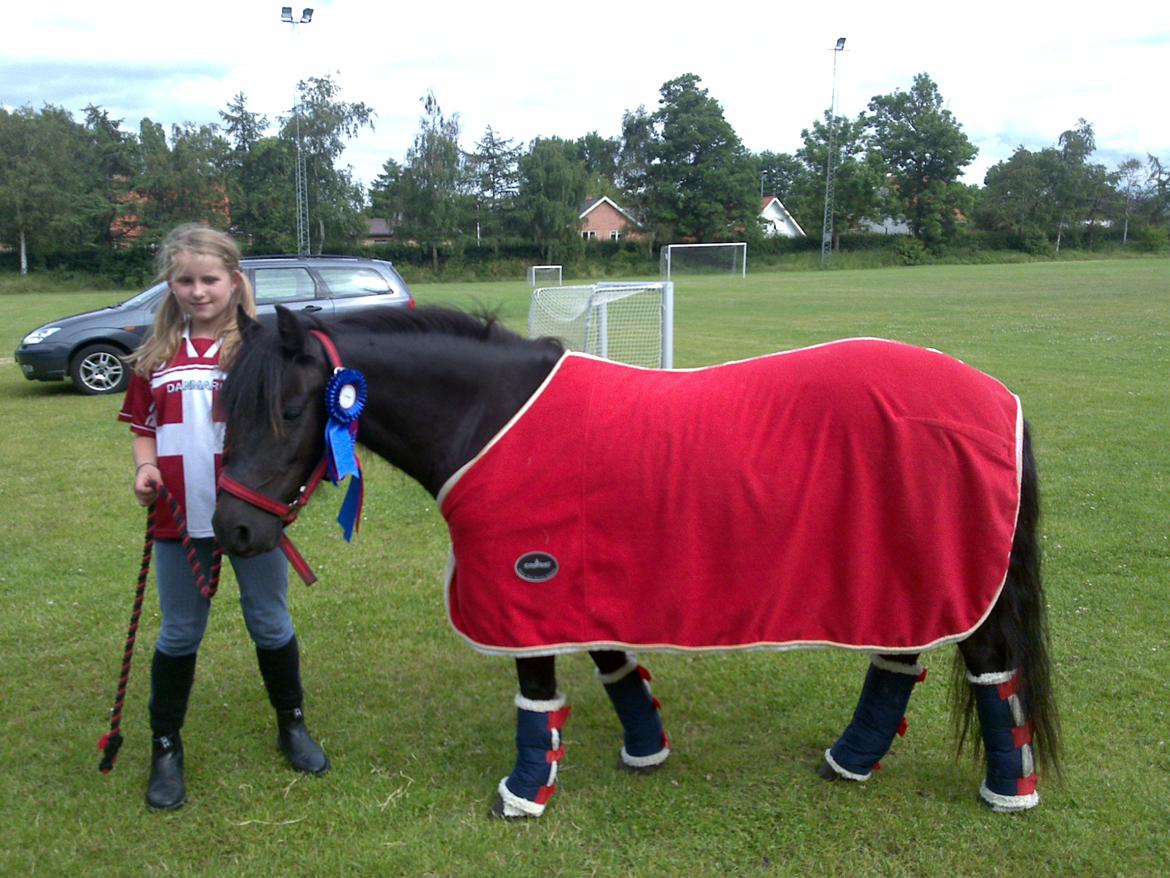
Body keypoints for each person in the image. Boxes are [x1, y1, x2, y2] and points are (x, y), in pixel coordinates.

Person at [118, 224, 328, 811]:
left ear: (235, 282)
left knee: (270, 621)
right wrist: (144, 470)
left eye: (209, 279)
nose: (198, 291)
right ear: (171, 284)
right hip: (178, 520)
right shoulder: (153, 354)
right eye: (185, 279)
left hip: (248, 520)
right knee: (180, 631)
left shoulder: (258, 349)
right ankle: (165, 746)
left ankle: (292, 724)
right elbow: (144, 430)